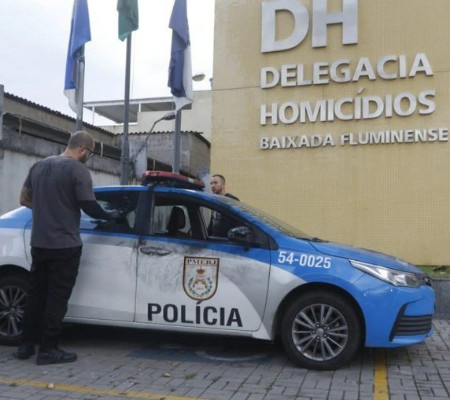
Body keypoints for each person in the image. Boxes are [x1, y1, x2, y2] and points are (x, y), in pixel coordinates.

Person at [15, 131, 123, 365]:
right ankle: (48, 350)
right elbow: (89, 206)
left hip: (39, 243)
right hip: (65, 246)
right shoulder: (77, 170)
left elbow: (24, 199)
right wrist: (112, 215)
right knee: (57, 298)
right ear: (82, 149)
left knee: (36, 295)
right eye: (90, 153)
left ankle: (25, 345)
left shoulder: (39, 166)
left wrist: (46, 208)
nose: (89, 158)